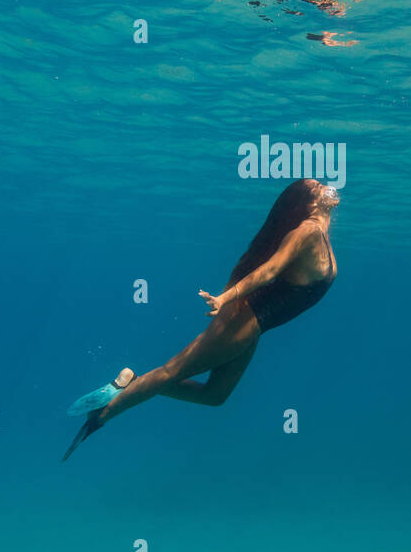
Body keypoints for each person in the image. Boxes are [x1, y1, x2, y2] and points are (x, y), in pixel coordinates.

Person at [62, 178, 339, 460]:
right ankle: (100, 417)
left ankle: (132, 381)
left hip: (254, 327)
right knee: (172, 372)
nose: (326, 186)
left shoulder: (320, 236)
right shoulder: (307, 232)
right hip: (244, 319)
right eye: (317, 186)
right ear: (308, 202)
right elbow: (269, 271)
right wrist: (224, 298)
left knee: (215, 396)